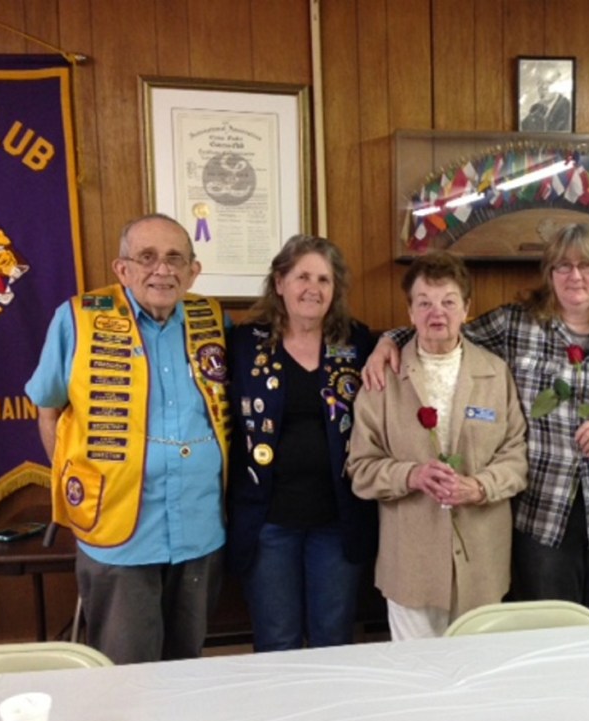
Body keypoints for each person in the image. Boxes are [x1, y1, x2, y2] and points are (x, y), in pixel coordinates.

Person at [364, 223, 589, 623]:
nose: (575, 276)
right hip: (543, 512)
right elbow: (443, 331)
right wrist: (387, 341)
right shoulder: (516, 325)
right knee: (547, 629)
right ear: (549, 275)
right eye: (563, 266)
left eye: (588, 266)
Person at [25, 213, 228, 664]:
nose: (163, 269)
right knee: (125, 668)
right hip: (117, 529)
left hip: (198, 529)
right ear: (123, 269)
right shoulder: (77, 319)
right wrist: (74, 478)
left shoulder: (212, 320)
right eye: (147, 257)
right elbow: (48, 409)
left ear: (193, 271)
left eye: (176, 258)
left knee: (187, 663)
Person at [347, 252, 528, 640]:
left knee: (478, 677)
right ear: (409, 312)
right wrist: (410, 475)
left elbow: (517, 458)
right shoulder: (383, 378)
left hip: (482, 560)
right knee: (418, 681)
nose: (437, 313)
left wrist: (480, 486)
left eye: (448, 302)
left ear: (466, 309)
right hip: (410, 563)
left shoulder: (495, 373)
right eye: (424, 303)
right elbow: (360, 468)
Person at [226, 235, 377, 650]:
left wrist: (388, 347)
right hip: (269, 522)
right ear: (279, 283)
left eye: (324, 280)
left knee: (333, 636)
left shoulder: (358, 342)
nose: (313, 288)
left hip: (338, 519)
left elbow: (398, 341)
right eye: (302, 276)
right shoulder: (243, 343)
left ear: (335, 290)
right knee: (277, 638)